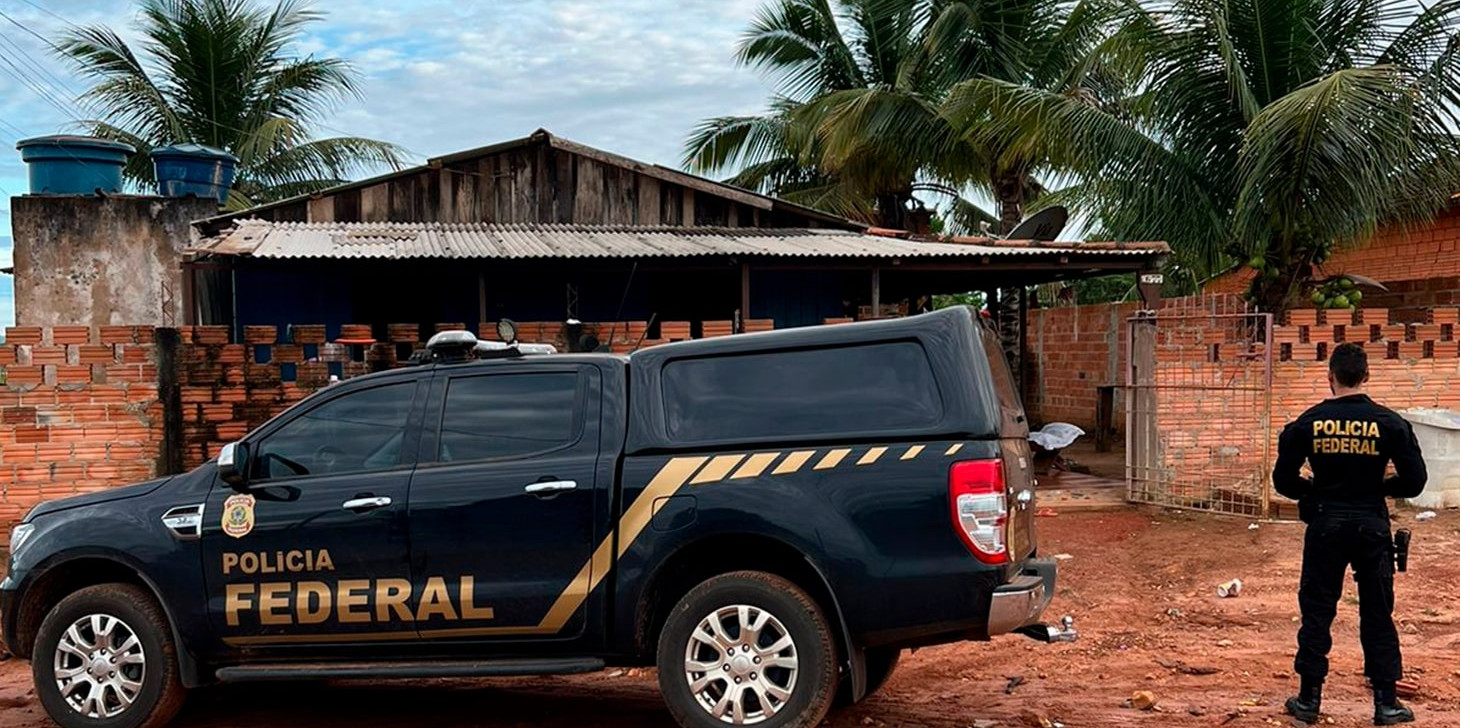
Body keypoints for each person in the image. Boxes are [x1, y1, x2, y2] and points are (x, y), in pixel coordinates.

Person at [1272, 342, 1427, 725]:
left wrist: (1313, 492)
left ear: (1331, 377)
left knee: (1317, 610)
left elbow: (1283, 480)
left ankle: (1308, 700)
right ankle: (1386, 703)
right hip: (1371, 525)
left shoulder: (1308, 422)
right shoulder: (1389, 423)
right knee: (1377, 612)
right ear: (1366, 376)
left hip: (1325, 524)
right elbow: (1415, 482)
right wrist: (1379, 488)